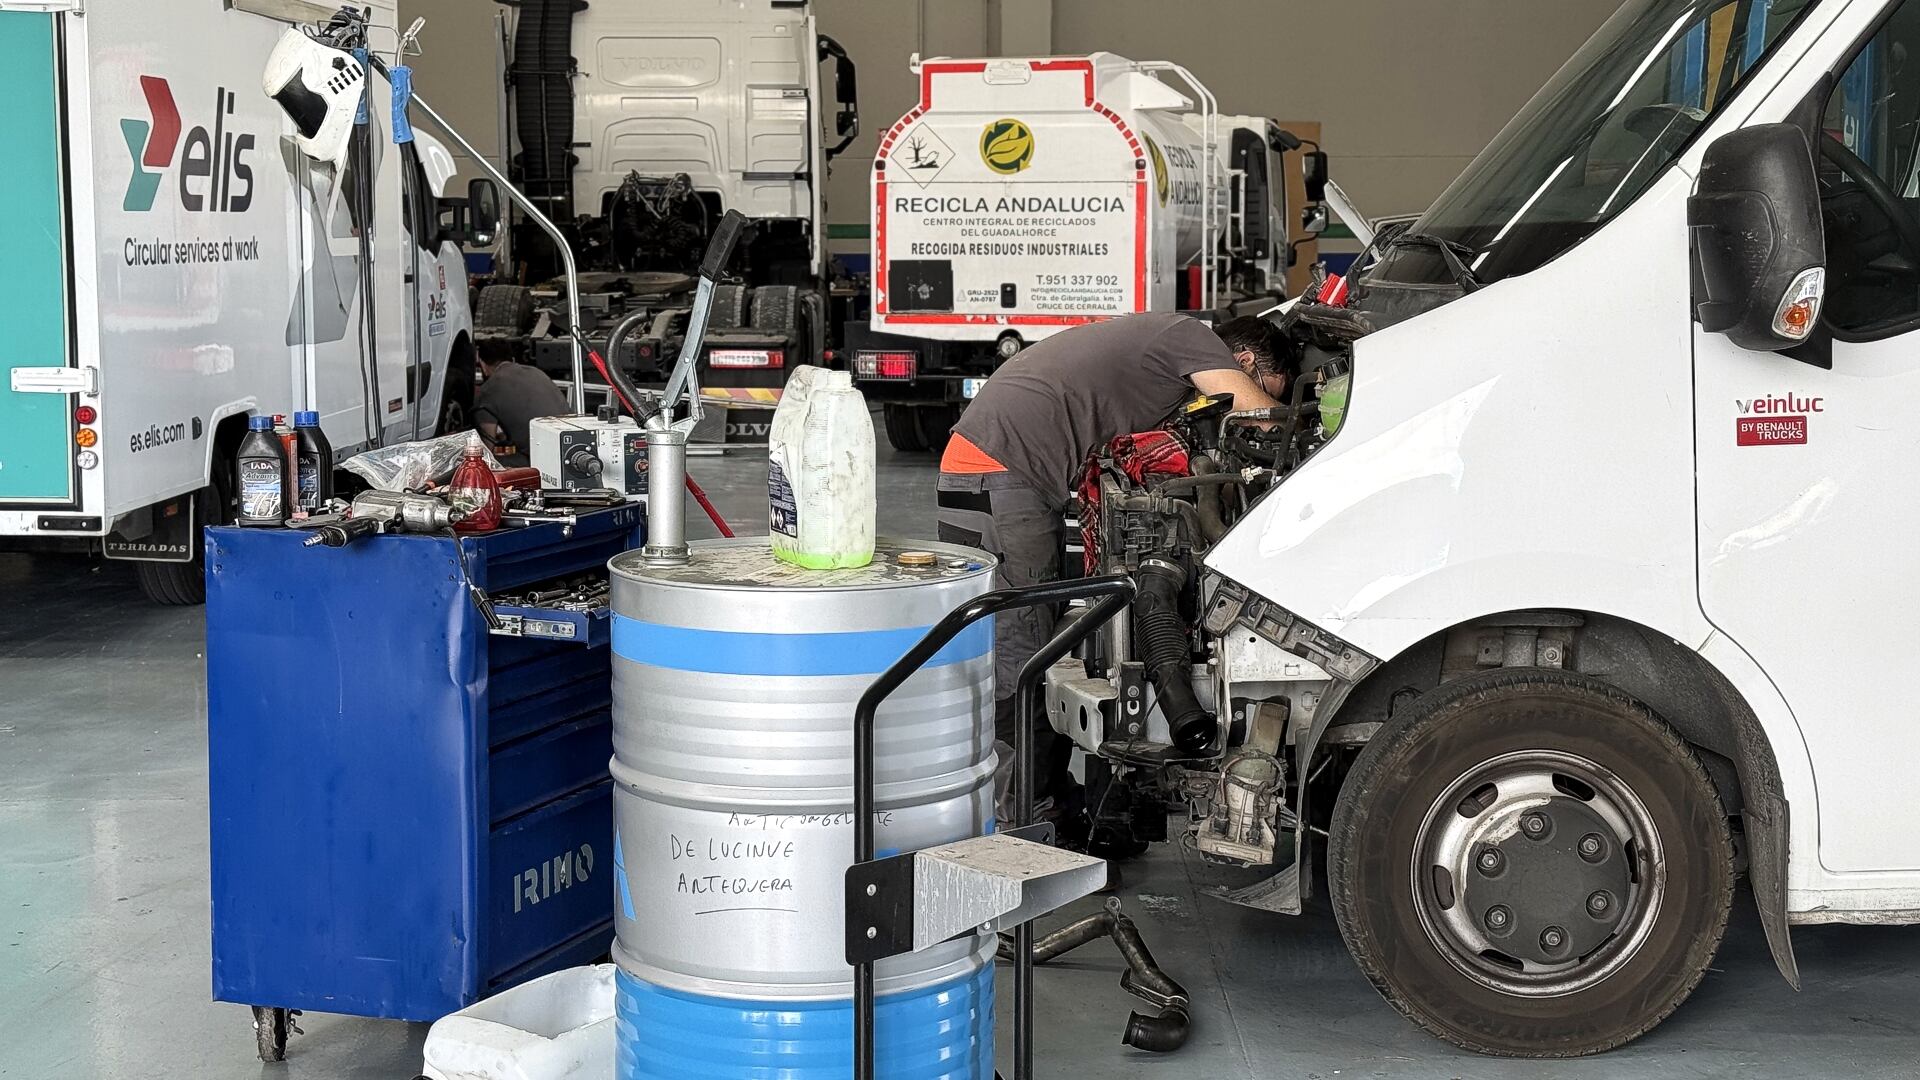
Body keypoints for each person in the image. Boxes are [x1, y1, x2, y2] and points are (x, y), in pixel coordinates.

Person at [934, 312, 1290, 824]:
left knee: (1038, 639)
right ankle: (1030, 822)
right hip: (998, 476)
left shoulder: (1165, 356)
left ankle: (1053, 803)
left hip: (1001, 472)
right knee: (1022, 656)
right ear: (1245, 361)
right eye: (1266, 381)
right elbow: (1257, 414)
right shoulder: (1191, 338)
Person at [473, 353, 572, 466]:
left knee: (485, 464)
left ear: (482, 364)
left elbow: (487, 449)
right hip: (571, 449)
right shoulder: (535, 372)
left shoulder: (488, 389)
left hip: (543, 460)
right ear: (513, 359)